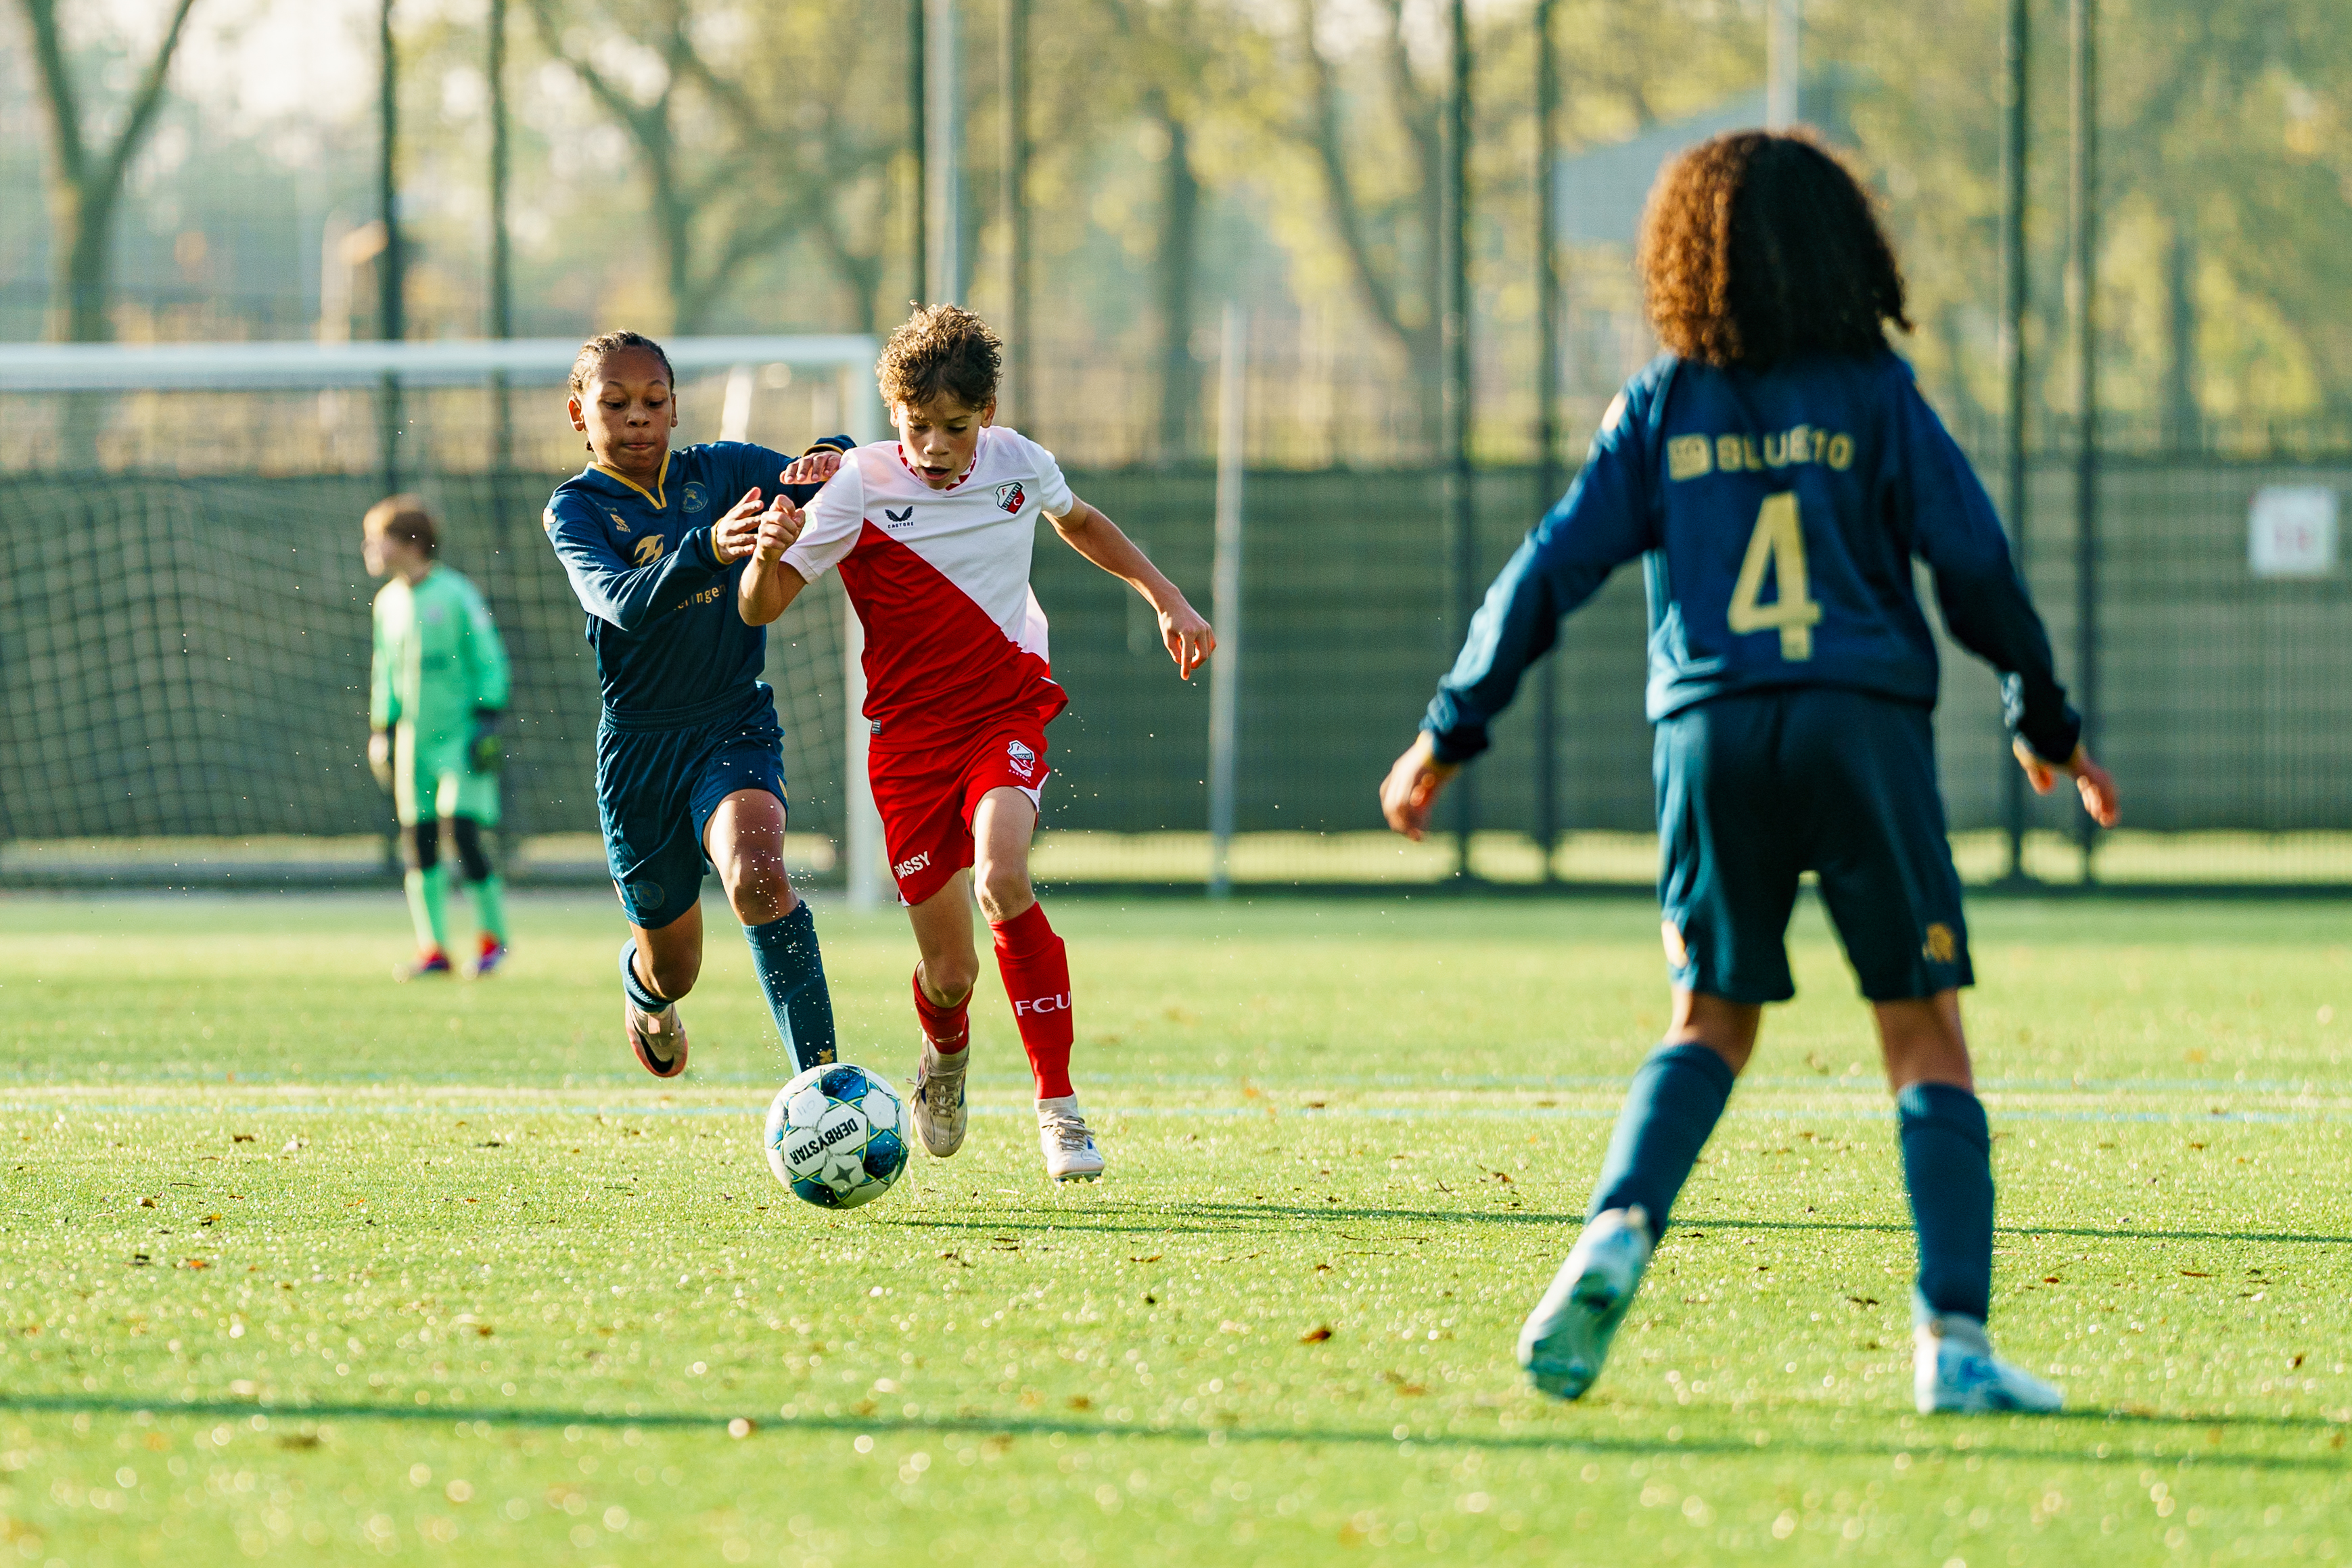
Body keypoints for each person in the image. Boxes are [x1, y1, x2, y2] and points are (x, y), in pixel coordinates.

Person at [1379, 131, 2120, 1414]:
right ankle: (1953, 1343)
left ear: (1686, 259)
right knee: (1920, 1023)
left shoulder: (1663, 400)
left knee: (1711, 1018)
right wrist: (2043, 718)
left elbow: (1549, 569)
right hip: (1859, 721)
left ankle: (1615, 1227)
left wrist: (1448, 729)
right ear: (1846, 249)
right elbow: (1977, 565)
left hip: (1708, 731)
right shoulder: (1876, 393)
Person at [741, 304, 1214, 1184]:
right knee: (950, 973)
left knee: (1002, 875)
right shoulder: (858, 487)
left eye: (954, 427)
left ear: (986, 414)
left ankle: (1060, 1108)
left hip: (1005, 711)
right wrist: (767, 557)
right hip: (909, 746)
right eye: (917, 426)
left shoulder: (1018, 464)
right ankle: (945, 1055)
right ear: (894, 416)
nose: (934, 446)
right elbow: (762, 607)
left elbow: (1080, 521)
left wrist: (1166, 596)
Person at [540, 329, 850, 1080]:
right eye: (615, 403)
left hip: (729, 721)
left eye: (653, 401)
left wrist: (832, 453)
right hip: (639, 753)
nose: (637, 417)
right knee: (677, 968)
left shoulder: (728, 470)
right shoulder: (574, 510)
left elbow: (830, 482)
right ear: (579, 413)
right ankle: (648, 994)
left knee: (759, 874)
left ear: (676, 408)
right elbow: (619, 602)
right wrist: (708, 548)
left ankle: (825, 1087)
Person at [364, 495, 513, 979]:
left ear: (408, 542)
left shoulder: (455, 595)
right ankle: (433, 949)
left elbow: (488, 657)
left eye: (377, 539)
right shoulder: (387, 602)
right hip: (413, 741)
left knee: (463, 831)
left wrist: (488, 718)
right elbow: (384, 672)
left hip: (462, 736)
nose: (369, 548)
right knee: (420, 841)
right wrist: (382, 730)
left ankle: (493, 939)